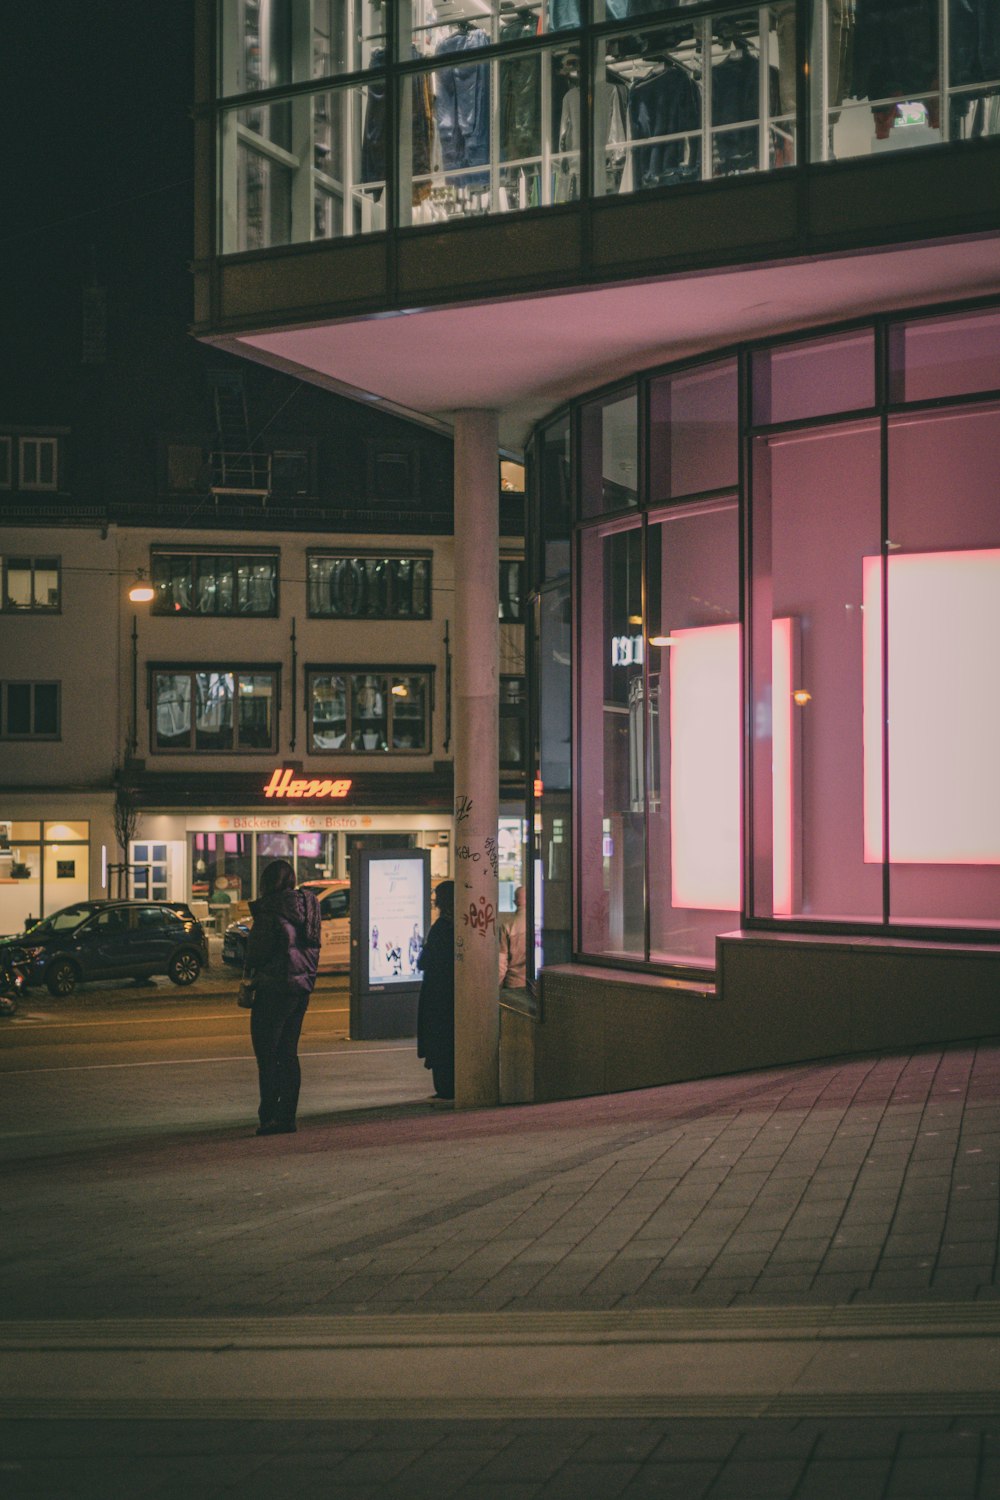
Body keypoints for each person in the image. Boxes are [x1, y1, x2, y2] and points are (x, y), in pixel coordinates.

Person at [246, 859, 321, 1136]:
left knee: (267, 1055)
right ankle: (286, 1115)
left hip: (274, 989)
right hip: (300, 990)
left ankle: (269, 1116)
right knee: (288, 1053)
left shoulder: (271, 911)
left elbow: (256, 953)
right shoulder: (308, 908)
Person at [416, 880, 455, 1103]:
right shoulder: (459, 926)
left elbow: (425, 961)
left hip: (436, 993)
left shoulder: (441, 927)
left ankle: (445, 1086)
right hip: (451, 992)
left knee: (438, 1039)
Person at [498, 885, 527, 993]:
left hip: (514, 984)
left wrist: (497, 990)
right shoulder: (541, 925)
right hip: (537, 984)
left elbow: (501, 965)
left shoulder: (507, 927)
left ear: (515, 902)